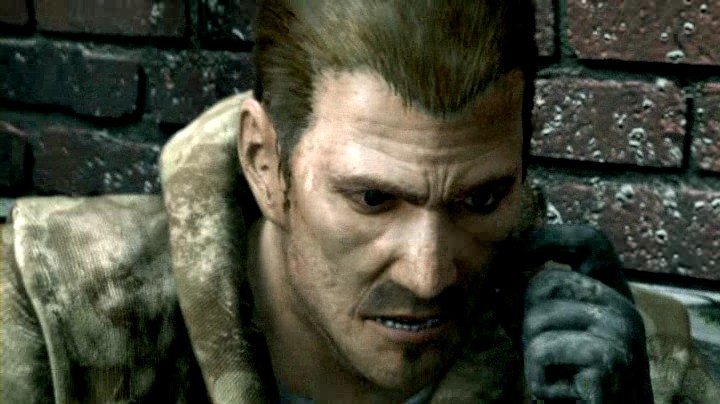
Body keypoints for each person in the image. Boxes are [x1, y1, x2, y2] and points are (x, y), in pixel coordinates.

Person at [2, 1, 718, 402]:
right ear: (265, 163)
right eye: (374, 199)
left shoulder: (632, 366)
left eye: (481, 199)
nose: (428, 276)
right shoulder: (51, 316)